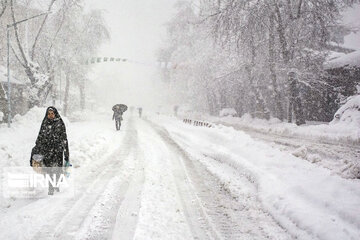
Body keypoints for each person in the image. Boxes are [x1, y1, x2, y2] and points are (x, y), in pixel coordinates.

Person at [30, 106, 69, 195]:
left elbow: (64, 138)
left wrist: (66, 153)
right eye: (49, 114)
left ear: (55, 114)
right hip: (47, 151)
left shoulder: (60, 123)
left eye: (52, 114)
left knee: (57, 170)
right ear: (47, 115)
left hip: (57, 151)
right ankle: (51, 188)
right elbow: (40, 137)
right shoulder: (45, 123)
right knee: (49, 170)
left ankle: (56, 185)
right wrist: (37, 148)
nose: (51, 115)